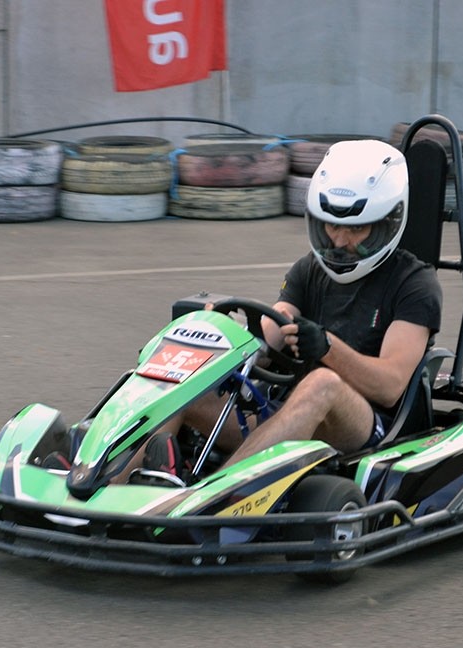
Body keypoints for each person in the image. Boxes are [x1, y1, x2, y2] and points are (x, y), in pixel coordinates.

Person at [138, 139, 443, 481]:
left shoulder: (414, 283)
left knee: (322, 383)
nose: (340, 241)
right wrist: (221, 336)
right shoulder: (308, 270)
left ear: (388, 222)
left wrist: (327, 347)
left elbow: (391, 386)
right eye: (331, 225)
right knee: (184, 380)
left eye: (356, 228)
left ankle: (207, 495)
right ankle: (108, 484)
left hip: (369, 430)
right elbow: (268, 336)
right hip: (290, 413)